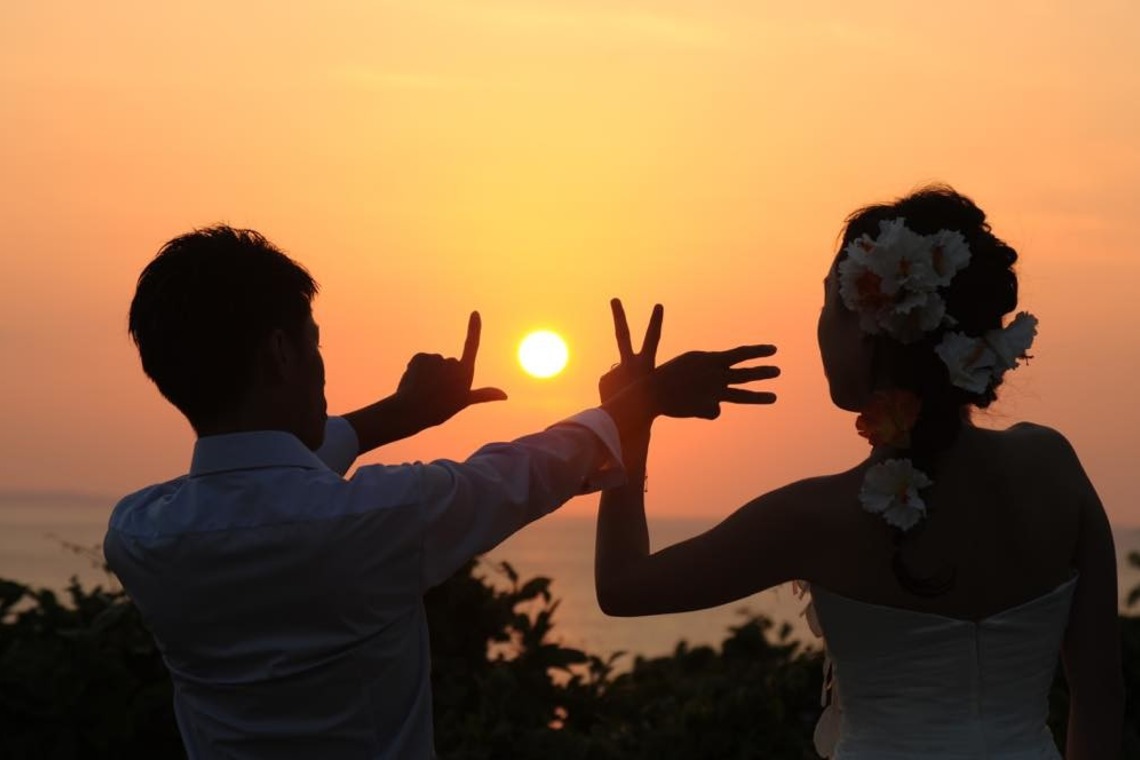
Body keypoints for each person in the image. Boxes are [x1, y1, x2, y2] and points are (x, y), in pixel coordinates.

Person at [104, 225, 776, 759]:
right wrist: (641, 400)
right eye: (313, 345)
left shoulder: (139, 534)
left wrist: (405, 412)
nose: (321, 367)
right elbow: (515, 472)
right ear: (280, 354)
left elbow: (273, 483)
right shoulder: (373, 519)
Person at [594, 187, 1123, 759]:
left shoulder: (815, 518)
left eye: (829, 304)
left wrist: (630, 421)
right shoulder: (1053, 468)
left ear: (872, 329)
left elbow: (623, 586)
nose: (819, 326)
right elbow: (1100, 708)